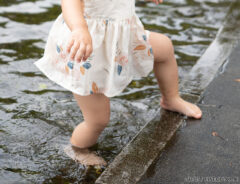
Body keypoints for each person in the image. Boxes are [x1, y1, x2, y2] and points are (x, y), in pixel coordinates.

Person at [34, 0, 202, 166]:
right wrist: (79, 28)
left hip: (123, 38)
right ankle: (77, 149)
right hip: (89, 50)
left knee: (164, 48)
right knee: (97, 120)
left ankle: (171, 98)